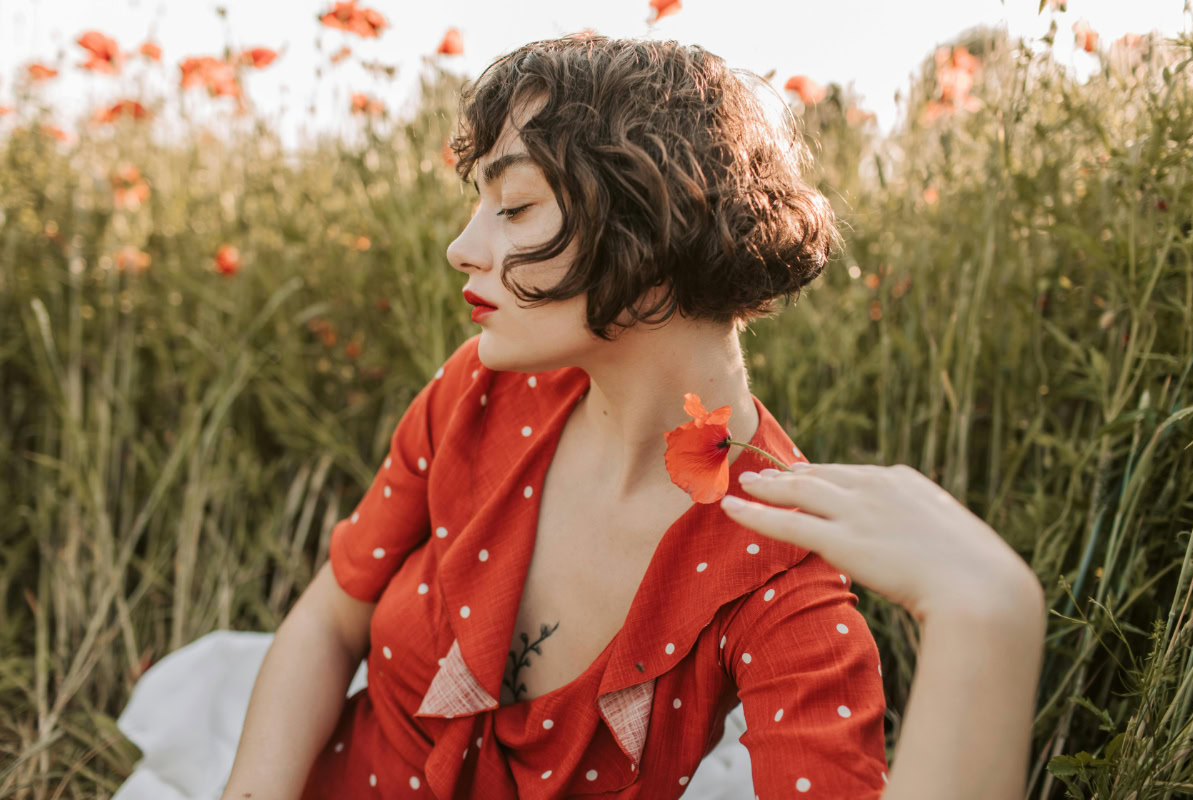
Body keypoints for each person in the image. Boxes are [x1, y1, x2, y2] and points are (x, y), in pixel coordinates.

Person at [220, 35, 1045, 800]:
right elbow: (331, 620)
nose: (461, 248)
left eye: (513, 208)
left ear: (653, 230)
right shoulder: (475, 393)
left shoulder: (775, 559)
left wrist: (988, 617)